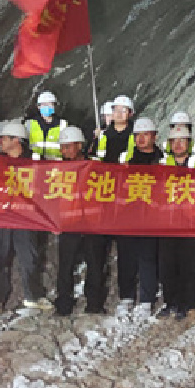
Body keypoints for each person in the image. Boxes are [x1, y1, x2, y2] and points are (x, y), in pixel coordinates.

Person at [0, 122, 51, 314]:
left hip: (25, 216)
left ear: (17, 140)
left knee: (29, 257)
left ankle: (33, 296)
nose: (1, 141)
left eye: (4, 138)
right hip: (1, 216)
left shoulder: (35, 160)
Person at [52, 126, 108, 316]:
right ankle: (63, 304)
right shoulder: (58, 169)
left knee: (95, 265)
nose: (65, 151)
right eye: (63, 147)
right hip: (70, 224)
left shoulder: (95, 166)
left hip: (93, 224)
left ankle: (94, 303)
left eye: (69, 147)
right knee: (65, 266)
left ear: (79, 146)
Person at [157, 126, 195, 320]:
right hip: (168, 222)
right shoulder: (161, 163)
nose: (178, 144)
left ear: (189, 143)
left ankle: (189, 303)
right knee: (167, 265)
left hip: (191, 222)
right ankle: (171, 302)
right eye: (174, 141)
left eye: (182, 141)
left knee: (190, 265)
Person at [119, 117, 164, 316]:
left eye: (146, 134)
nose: (141, 139)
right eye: (138, 135)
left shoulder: (163, 161)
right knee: (126, 257)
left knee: (147, 257)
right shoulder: (125, 160)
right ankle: (126, 296)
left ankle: (146, 299)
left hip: (152, 217)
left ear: (154, 136)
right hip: (128, 215)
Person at [27, 91, 67, 160]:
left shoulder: (62, 124)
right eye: (44, 104)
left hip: (56, 166)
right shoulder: (29, 123)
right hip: (34, 164)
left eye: (50, 104)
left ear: (54, 106)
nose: (47, 107)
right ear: (38, 107)